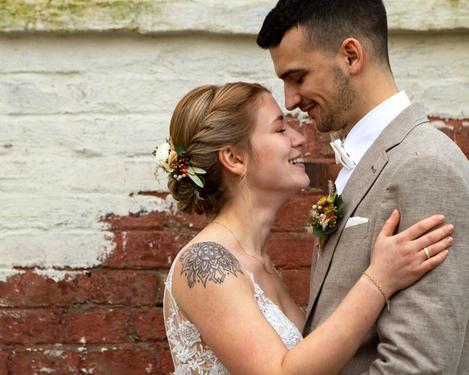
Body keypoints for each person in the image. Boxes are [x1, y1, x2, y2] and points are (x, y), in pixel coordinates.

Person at [159, 82, 454, 374]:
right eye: (280, 130)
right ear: (235, 158)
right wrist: (378, 279)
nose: (300, 139)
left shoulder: (260, 264)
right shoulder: (205, 262)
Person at [257, 0, 469, 373]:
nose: (290, 100)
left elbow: (418, 366)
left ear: (351, 56)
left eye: (298, 77)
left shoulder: (424, 167)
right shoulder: (370, 158)